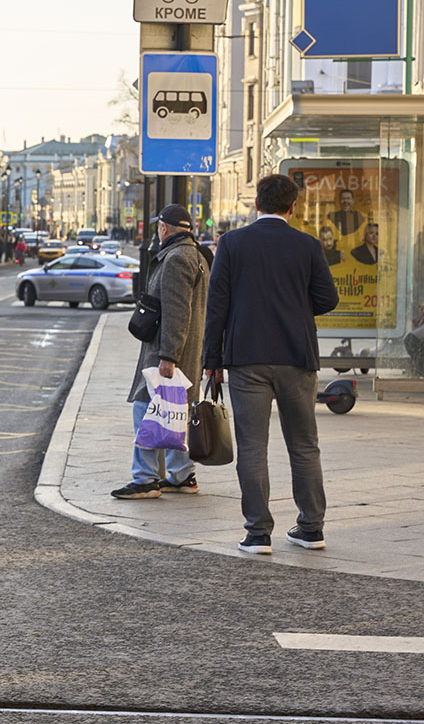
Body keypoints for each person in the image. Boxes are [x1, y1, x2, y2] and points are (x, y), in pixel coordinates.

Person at [202, 174, 339, 555]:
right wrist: (295, 309)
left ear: (256, 204)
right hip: (297, 356)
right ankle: (311, 528)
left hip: (247, 358)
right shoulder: (308, 246)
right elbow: (328, 299)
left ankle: (258, 533)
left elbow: (217, 307)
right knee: (304, 445)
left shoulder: (231, 244)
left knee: (252, 447)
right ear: (292, 207)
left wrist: (211, 360)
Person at [111, 204, 211, 500]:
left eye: (158, 227)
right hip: (186, 351)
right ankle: (181, 476)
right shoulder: (197, 255)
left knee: (145, 408)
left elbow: (177, 311)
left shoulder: (178, 258)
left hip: (168, 353)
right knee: (176, 412)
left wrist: (169, 356)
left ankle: (145, 478)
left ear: (164, 228)